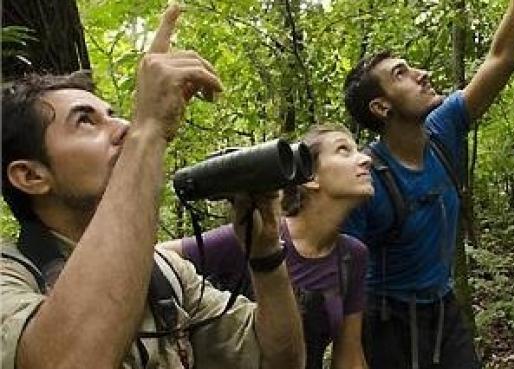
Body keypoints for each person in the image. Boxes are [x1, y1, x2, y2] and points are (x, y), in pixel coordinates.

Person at [0, 5, 305, 369]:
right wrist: (149, 129)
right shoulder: (11, 278)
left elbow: (279, 360)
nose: (124, 127)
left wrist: (266, 254)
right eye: (85, 121)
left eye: (115, 114)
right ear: (31, 176)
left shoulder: (164, 271)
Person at [342, 1, 514, 369]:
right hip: (387, 325)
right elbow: (342, 278)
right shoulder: (363, 179)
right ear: (381, 108)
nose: (423, 73)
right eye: (401, 73)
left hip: (444, 313)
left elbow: (502, 58)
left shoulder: (444, 129)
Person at [162, 124, 373, 369]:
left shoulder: (351, 256)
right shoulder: (256, 234)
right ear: (310, 176)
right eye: (343, 150)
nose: (365, 159)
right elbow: (159, 259)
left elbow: (350, 358)